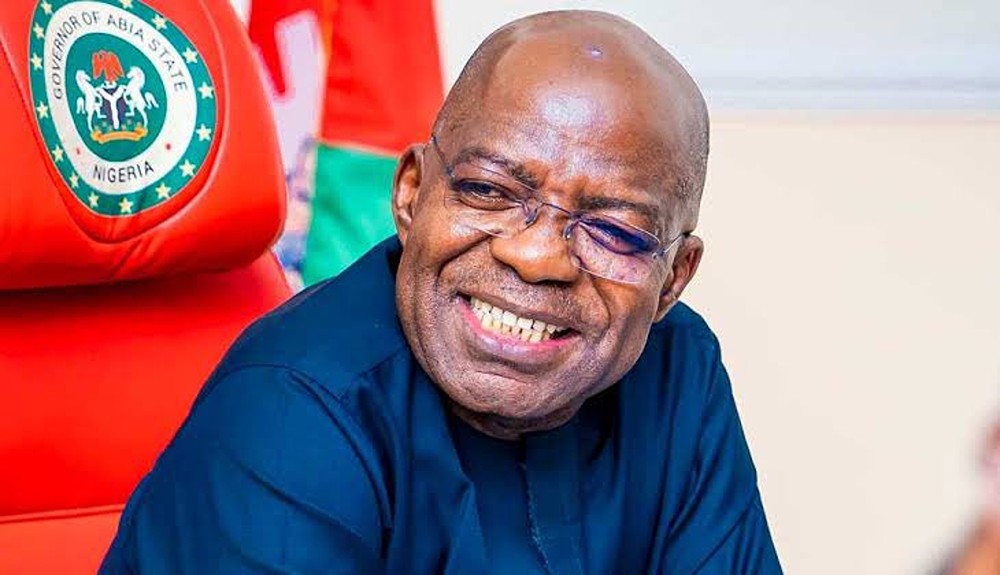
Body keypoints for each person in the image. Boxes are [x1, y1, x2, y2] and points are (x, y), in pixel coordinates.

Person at [101, 10, 781, 574]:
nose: (536, 256)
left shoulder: (678, 368)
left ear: (674, 278)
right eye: (488, 190)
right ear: (410, 194)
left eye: (612, 230)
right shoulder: (290, 407)